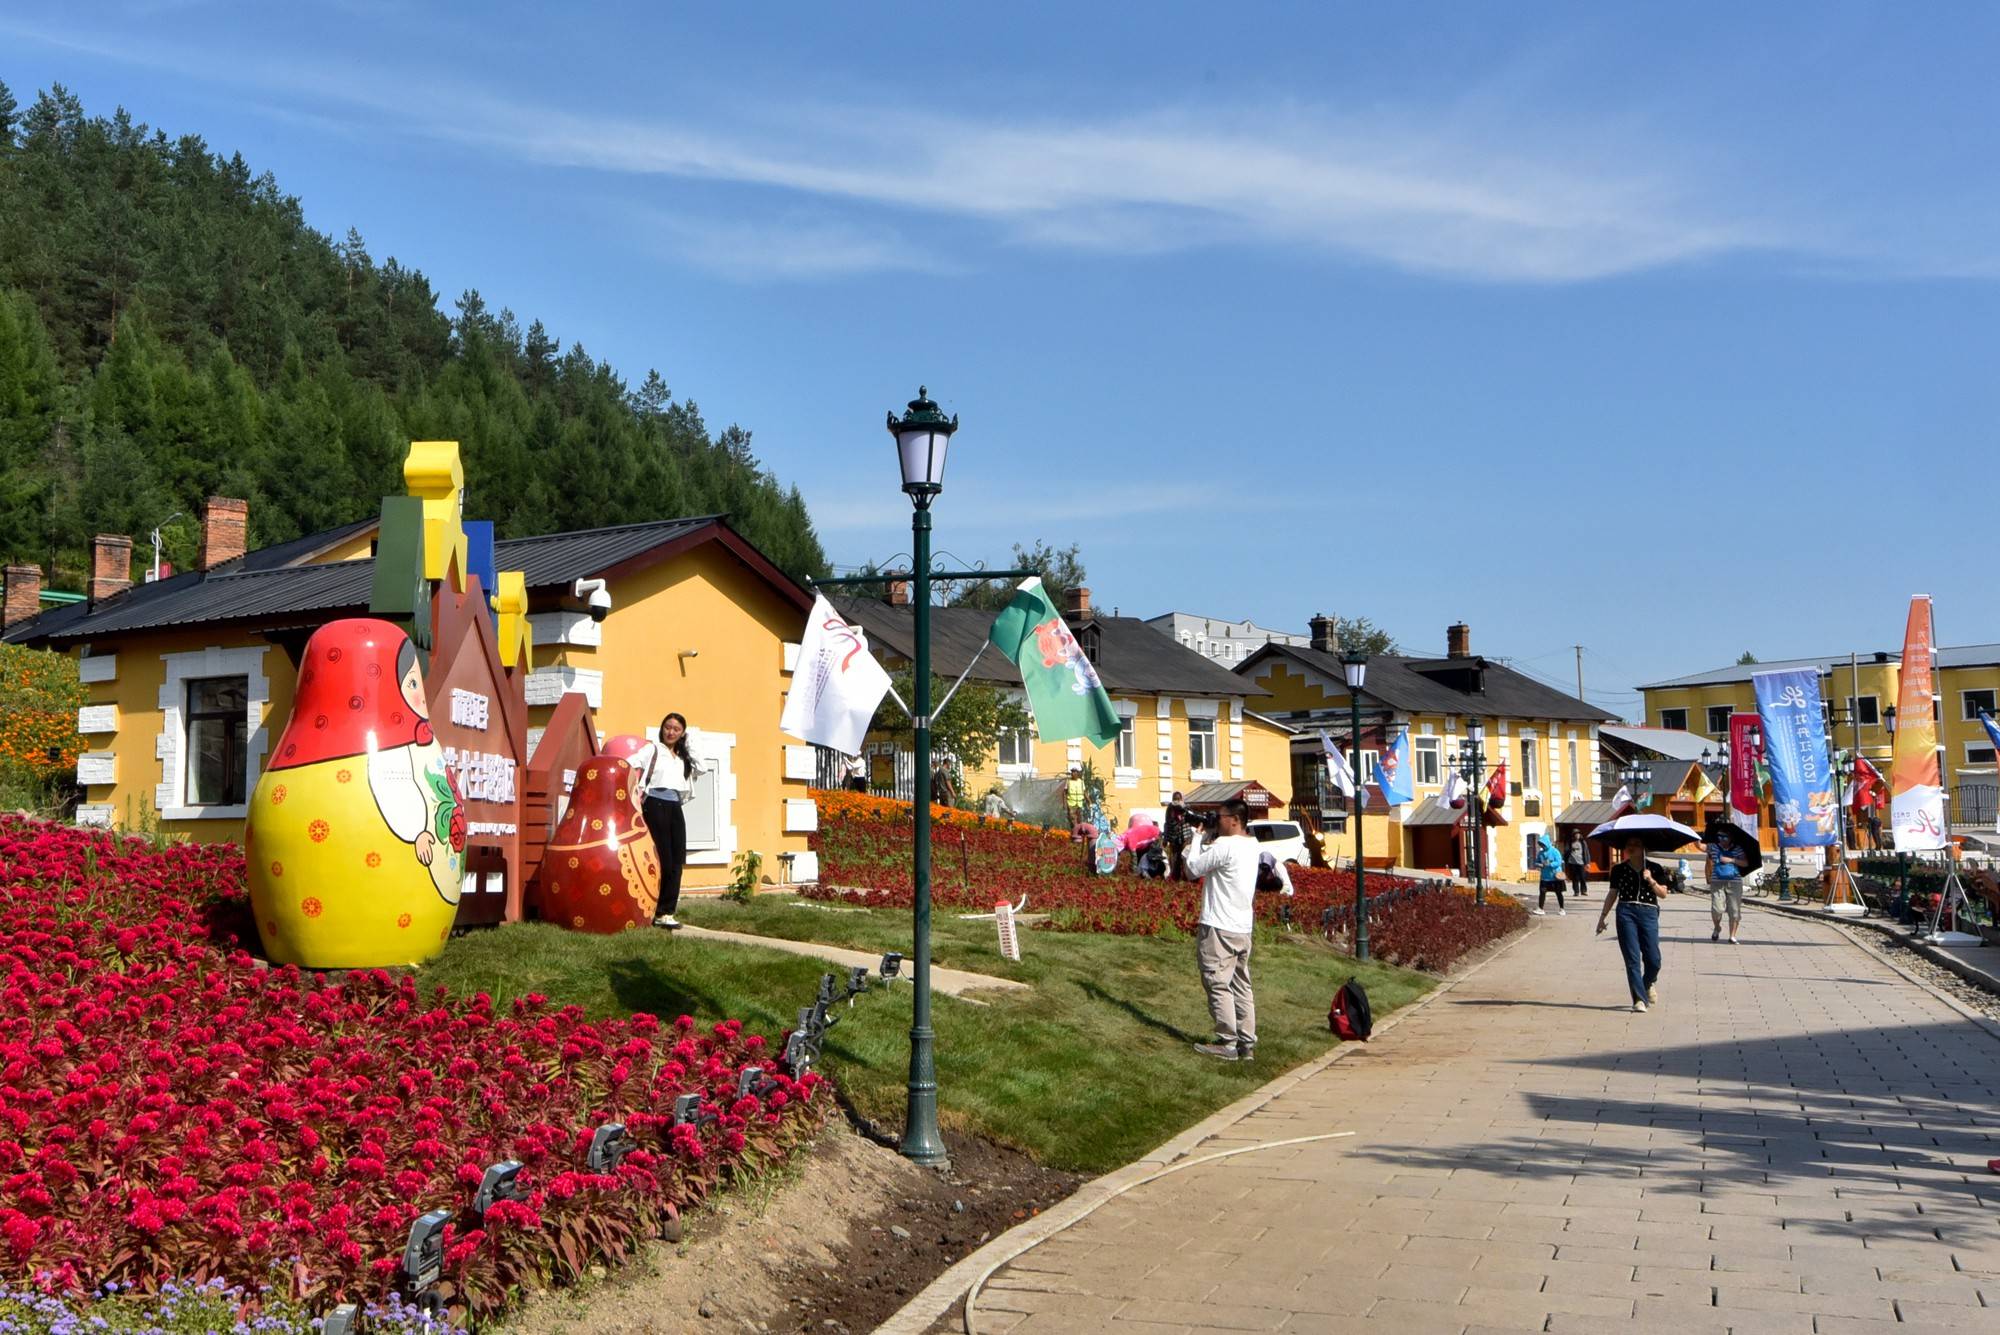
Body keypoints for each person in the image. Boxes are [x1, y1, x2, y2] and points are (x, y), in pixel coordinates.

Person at [1182, 798, 1261, 1061]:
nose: (1217, 820)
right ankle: (1247, 1043)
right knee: (1241, 984)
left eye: (1221, 816)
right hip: (1242, 926)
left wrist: (1195, 840)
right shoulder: (1252, 845)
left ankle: (1227, 1042)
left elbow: (1192, 870)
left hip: (1218, 925)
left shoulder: (1226, 846)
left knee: (1216, 981)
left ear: (1234, 820)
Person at [635, 712, 700, 930]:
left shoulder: (682, 757)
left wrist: (688, 745)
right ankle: (656, 909)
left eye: (676, 729)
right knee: (662, 858)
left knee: (677, 859)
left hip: (674, 807)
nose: (671, 732)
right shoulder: (653, 749)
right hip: (655, 804)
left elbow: (702, 766)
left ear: (682, 733)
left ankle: (668, 911)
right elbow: (629, 763)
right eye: (667, 727)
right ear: (662, 729)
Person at [1595, 837, 1672, 1012]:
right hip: (1626, 912)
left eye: (1636, 845)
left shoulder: (1655, 868)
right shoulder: (1619, 869)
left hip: (1649, 912)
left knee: (1654, 960)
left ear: (1643, 847)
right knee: (1632, 959)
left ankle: (1648, 983)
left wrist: (1651, 880)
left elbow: (1663, 894)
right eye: (1628, 845)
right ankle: (1639, 999)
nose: (1631, 848)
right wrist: (1602, 917)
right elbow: (1612, 894)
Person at [1706, 820, 1748, 943]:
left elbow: (1745, 863)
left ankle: (1732, 936)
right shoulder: (1713, 847)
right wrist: (1698, 837)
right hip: (1717, 881)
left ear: (1730, 838)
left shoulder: (1738, 849)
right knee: (1717, 909)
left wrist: (1731, 860)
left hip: (1734, 882)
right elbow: (1701, 847)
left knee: (1734, 911)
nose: (1722, 839)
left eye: (1725, 837)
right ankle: (1717, 927)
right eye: (1720, 836)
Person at [1533, 835, 1566, 915]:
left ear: (1547, 843)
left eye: (1543, 844)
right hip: (1545, 877)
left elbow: (1558, 862)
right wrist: (1538, 864)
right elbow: (1536, 862)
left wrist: (1549, 864)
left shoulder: (1555, 851)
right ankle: (1540, 908)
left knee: (1558, 893)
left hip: (1555, 876)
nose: (1542, 846)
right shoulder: (1540, 853)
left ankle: (1562, 909)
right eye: (1541, 844)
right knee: (1542, 892)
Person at [1566, 834, 1590, 900]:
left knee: (1582, 877)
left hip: (1581, 862)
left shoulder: (1583, 842)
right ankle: (1576, 891)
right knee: (1575, 878)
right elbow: (1566, 851)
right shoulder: (1570, 842)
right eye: (1575, 834)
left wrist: (1587, 862)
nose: (1577, 836)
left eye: (1578, 834)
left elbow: (1586, 852)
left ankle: (1583, 891)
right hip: (1572, 862)